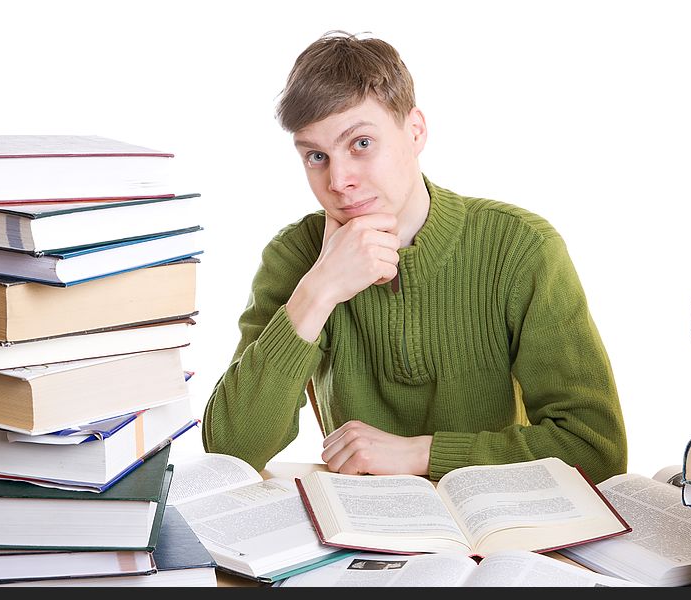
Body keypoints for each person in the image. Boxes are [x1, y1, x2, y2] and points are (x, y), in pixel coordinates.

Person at [202, 32, 627, 483]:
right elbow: (231, 453)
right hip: (362, 537)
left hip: (499, 530)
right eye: (316, 156)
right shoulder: (294, 257)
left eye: (361, 143)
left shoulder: (520, 247)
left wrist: (422, 454)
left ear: (415, 130)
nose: (339, 180)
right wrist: (320, 288)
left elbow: (595, 451)